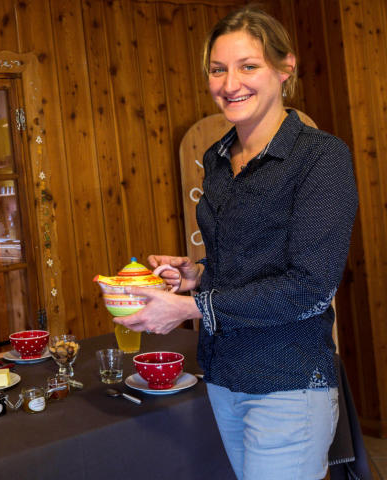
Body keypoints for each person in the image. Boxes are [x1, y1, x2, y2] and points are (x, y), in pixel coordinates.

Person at [114, 5, 358, 479]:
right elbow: (246, 263)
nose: (231, 84)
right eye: (218, 69)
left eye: (249, 66)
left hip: (288, 383)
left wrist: (190, 309)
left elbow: (309, 289)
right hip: (224, 377)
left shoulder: (321, 158)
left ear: (285, 70)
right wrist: (196, 274)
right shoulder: (219, 156)